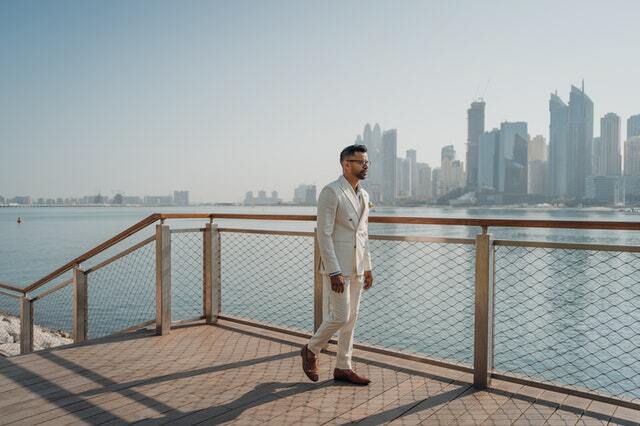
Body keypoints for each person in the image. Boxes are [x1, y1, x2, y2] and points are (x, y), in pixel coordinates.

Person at [301, 144, 374, 385]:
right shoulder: (331, 192)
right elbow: (324, 234)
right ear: (346, 164)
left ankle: (343, 366)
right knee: (340, 316)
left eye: (367, 162)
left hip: (357, 266)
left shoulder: (364, 195)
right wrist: (334, 271)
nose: (365, 166)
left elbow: (363, 233)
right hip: (337, 269)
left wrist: (368, 267)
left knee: (351, 319)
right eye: (360, 162)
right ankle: (311, 349)